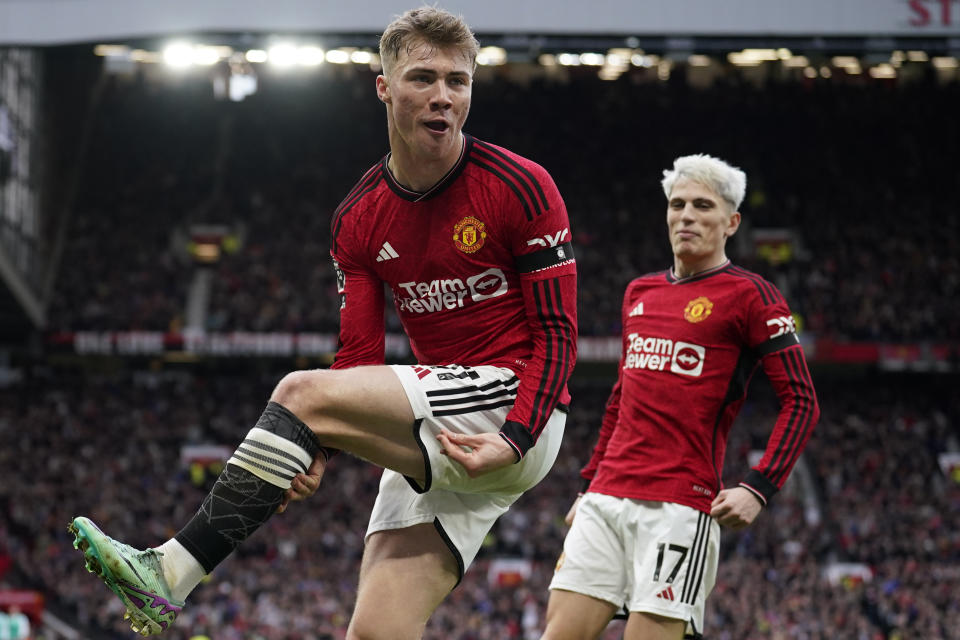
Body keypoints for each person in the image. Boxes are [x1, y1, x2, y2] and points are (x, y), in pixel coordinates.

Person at [69, 7, 577, 638]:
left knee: (298, 393)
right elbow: (359, 358)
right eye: (423, 78)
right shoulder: (358, 218)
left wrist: (516, 439)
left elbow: (559, 334)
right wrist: (318, 445)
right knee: (374, 632)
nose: (443, 96)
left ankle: (168, 572)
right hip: (444, 422)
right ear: (384, 87)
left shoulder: (522, 186)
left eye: (458, 81)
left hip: (517, 406)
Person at [541, 154, 819, 640]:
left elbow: (802, 400)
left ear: (731, 222)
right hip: (605, 500)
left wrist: (759, 486)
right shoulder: (638, 292)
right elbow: (621, 397)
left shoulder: (753, 296)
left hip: (679, 508)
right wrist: (588, 484)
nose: (686, 215)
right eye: (677, 205)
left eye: (702, 206)